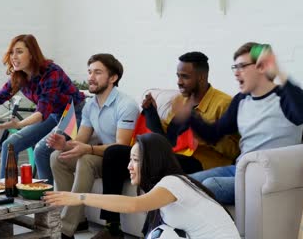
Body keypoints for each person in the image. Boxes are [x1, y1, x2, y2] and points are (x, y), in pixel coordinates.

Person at [96, 51, 240, 238]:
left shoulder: (224, 104)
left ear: (202, 77)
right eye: (178, 76)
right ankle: (112, 226)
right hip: (176, 155)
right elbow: (166, 140)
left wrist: (205, 134)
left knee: (154, 162)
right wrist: (151, 113)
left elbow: (234, 149)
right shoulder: (180, 100)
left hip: (201, 163)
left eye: (185, 77)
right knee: (115, 153)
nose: (179, 82)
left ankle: (156, 226)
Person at [181, 42, 303, 205]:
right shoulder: (241, 100)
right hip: (239, 169)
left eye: (242, 66)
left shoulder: (284, 97)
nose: (236, 73)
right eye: (234, 67)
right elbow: (213, 134)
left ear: (261, 67)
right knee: (180, 184)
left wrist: (278, 73)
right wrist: (189, 116)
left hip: (267, 175)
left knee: (209, 186)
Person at [43, 133, 241, 239]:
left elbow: (132, 205)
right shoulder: (163, 190)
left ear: (152, 162)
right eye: (130, 160)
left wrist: (79, 197)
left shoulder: (174, 182)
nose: (129, 166)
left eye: (135, 160)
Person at [0, 34, 85, 178]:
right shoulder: (20, 75)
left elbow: (42, 112)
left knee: (41, 150)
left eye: (19, 51)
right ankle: (6, 192)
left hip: (73, 113)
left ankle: (45, 197)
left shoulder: (51, 72)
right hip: (54, 115)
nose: (14, 57)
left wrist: (19, 124)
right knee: (9, 144)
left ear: (32, 54)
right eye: (11, 52)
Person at [46, 53, 140, 239]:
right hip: (102, 156)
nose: (90, 77)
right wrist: (64, 144)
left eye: (97, 72)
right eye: (89, 72)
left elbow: (120, 147)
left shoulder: (126, 105)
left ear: (113, 78)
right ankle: (78, 219)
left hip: (123, 161)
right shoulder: (90, 105)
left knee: (87, 160)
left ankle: (64, 230)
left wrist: (88, 149)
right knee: (57, 157)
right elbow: (80, 140)